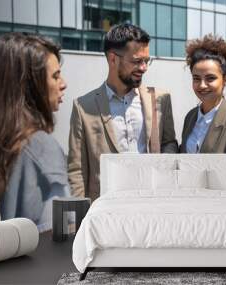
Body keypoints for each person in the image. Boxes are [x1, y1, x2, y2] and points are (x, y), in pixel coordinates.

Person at [0, 32, 69, 232]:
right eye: (55, 76)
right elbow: (59, 235)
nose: (63, 84)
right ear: (29, 86)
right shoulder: (42, 147)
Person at [68, 23, 178, 201]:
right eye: (136, 61)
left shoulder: (160, 99)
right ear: (113, 59)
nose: (144, 68)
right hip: (106, 210)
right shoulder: (83, 107)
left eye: (146, 60)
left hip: (152, 204)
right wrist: (79, 220)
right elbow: (76, 170)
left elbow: (169, 143)